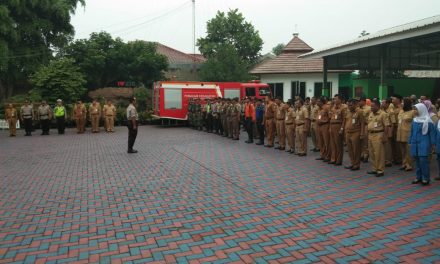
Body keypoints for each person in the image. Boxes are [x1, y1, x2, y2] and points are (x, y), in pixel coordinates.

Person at [409, 103, 436, 185]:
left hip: (424, 143)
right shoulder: (414, 120)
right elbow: (412, 132)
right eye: (414, 109)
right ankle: (418, 177)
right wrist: (410, 141)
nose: (414, 111)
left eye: (416, 109)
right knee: (417, 160)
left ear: (421, 110)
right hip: (415, 143)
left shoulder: (428, 121)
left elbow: (432, 133)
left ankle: (426, 178)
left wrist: (433, 144)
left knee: (423, 160)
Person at [367, 99, 390, 177]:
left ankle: (380, 170)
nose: (371, 108)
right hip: (370, 135)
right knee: (372, 153)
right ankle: (374, 169)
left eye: (373, 106)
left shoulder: (383, 114)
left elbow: (386, 126)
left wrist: (385, 136)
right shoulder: (371, 114)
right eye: (371, 106)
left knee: (379, 153)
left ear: (377, 106)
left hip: (378, 134)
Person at [344, 99, 365, 170]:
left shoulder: (360, 112)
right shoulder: (348, 112)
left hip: (356, 132)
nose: (349, 107)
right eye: (348, 105)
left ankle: (356, 164)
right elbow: (346, 121)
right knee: (350, 149)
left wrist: (362, 133)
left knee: (356, 149)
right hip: (348, 132)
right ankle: (352, 163)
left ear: (355, 105)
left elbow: (362, 123)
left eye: (351, 105)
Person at [396, 97, 415, 171]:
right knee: (402, 150)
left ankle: (409, 165)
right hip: (400, 133)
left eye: (403, 102)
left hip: (408, 133)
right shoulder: (401, 111)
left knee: (408, 150)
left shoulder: (412, 112)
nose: (402, 104)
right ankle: (404, 163)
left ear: (407, 103)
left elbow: (414, 123)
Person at [329, 94, 346, 165]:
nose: (334, 100)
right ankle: (333, 158)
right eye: (334, 99)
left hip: (338, 126)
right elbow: (331, 118)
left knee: (338, 144)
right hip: (332, 125)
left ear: (340, 100)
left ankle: (339, 160)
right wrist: (330, 127)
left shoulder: (343, 108)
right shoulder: (333, 108)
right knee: (333, 144)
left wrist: (342, 128)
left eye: (335, 99)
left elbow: (344, 119)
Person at [316, 97, 331, 161]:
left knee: (326, 141)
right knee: (320, 141)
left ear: (322, 102)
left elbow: (330, 117)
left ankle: (328, 156)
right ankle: (322, 155)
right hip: (319, 126)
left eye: (318, 101)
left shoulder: (327, 107)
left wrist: (329, 127)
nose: (317, 102)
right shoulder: (319, 109)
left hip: (325, 126)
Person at [358, 96, 371, 163]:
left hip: (366, 125)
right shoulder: (357, 109)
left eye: (359, 101)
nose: (358, 103)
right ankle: (361, 154)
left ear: (363, 101)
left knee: (365, 141)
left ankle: (366, 155)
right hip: (358, 126)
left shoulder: (369, 108)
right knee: (360, 142)